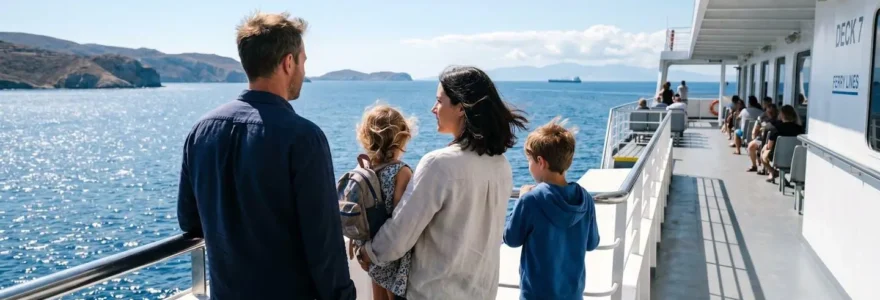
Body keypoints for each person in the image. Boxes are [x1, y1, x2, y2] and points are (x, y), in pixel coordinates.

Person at [175, 12, 356, 299]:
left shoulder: (201, 131)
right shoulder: (304, 138)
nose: (304, 70)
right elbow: (324, 243)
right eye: (303, 61)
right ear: (288, 62)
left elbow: (190, 221)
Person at [359, 66, 528, 299]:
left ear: (460, 107)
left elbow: (399, 236)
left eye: (439, 101)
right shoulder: (502, 165)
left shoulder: (438, 164)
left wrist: (367, 252)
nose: (433, 108)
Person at [503, 117, 600, 300]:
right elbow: (592, 243)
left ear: (541, 162)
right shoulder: (585, 198)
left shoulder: (530, 201)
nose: (528, 166)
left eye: (529, 161)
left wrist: (520, 200)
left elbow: (511, 239)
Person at [350, 104, 415, 300]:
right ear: (402, 137)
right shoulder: (400, 172)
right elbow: (400, 222)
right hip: (392, 258)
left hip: (370, 252)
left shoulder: (364, 170)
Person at [762, 105, 804, 183]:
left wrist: (765, 147)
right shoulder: (800, 129)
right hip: (795, 157)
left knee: (764, 151)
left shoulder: (776, 128)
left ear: (782, 115)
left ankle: (772, 171)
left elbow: (769, 147)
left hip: (778, 158)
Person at [746, 104, 778, 173]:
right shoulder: (762, 117)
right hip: (761, 139)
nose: (771, 112)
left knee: (765, 148)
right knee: (751, 146)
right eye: (769, 110)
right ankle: (754, 166)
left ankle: (766, 168)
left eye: (772, 111)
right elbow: (755, 130)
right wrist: (754, 138)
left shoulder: (778, 118)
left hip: (773, 140)